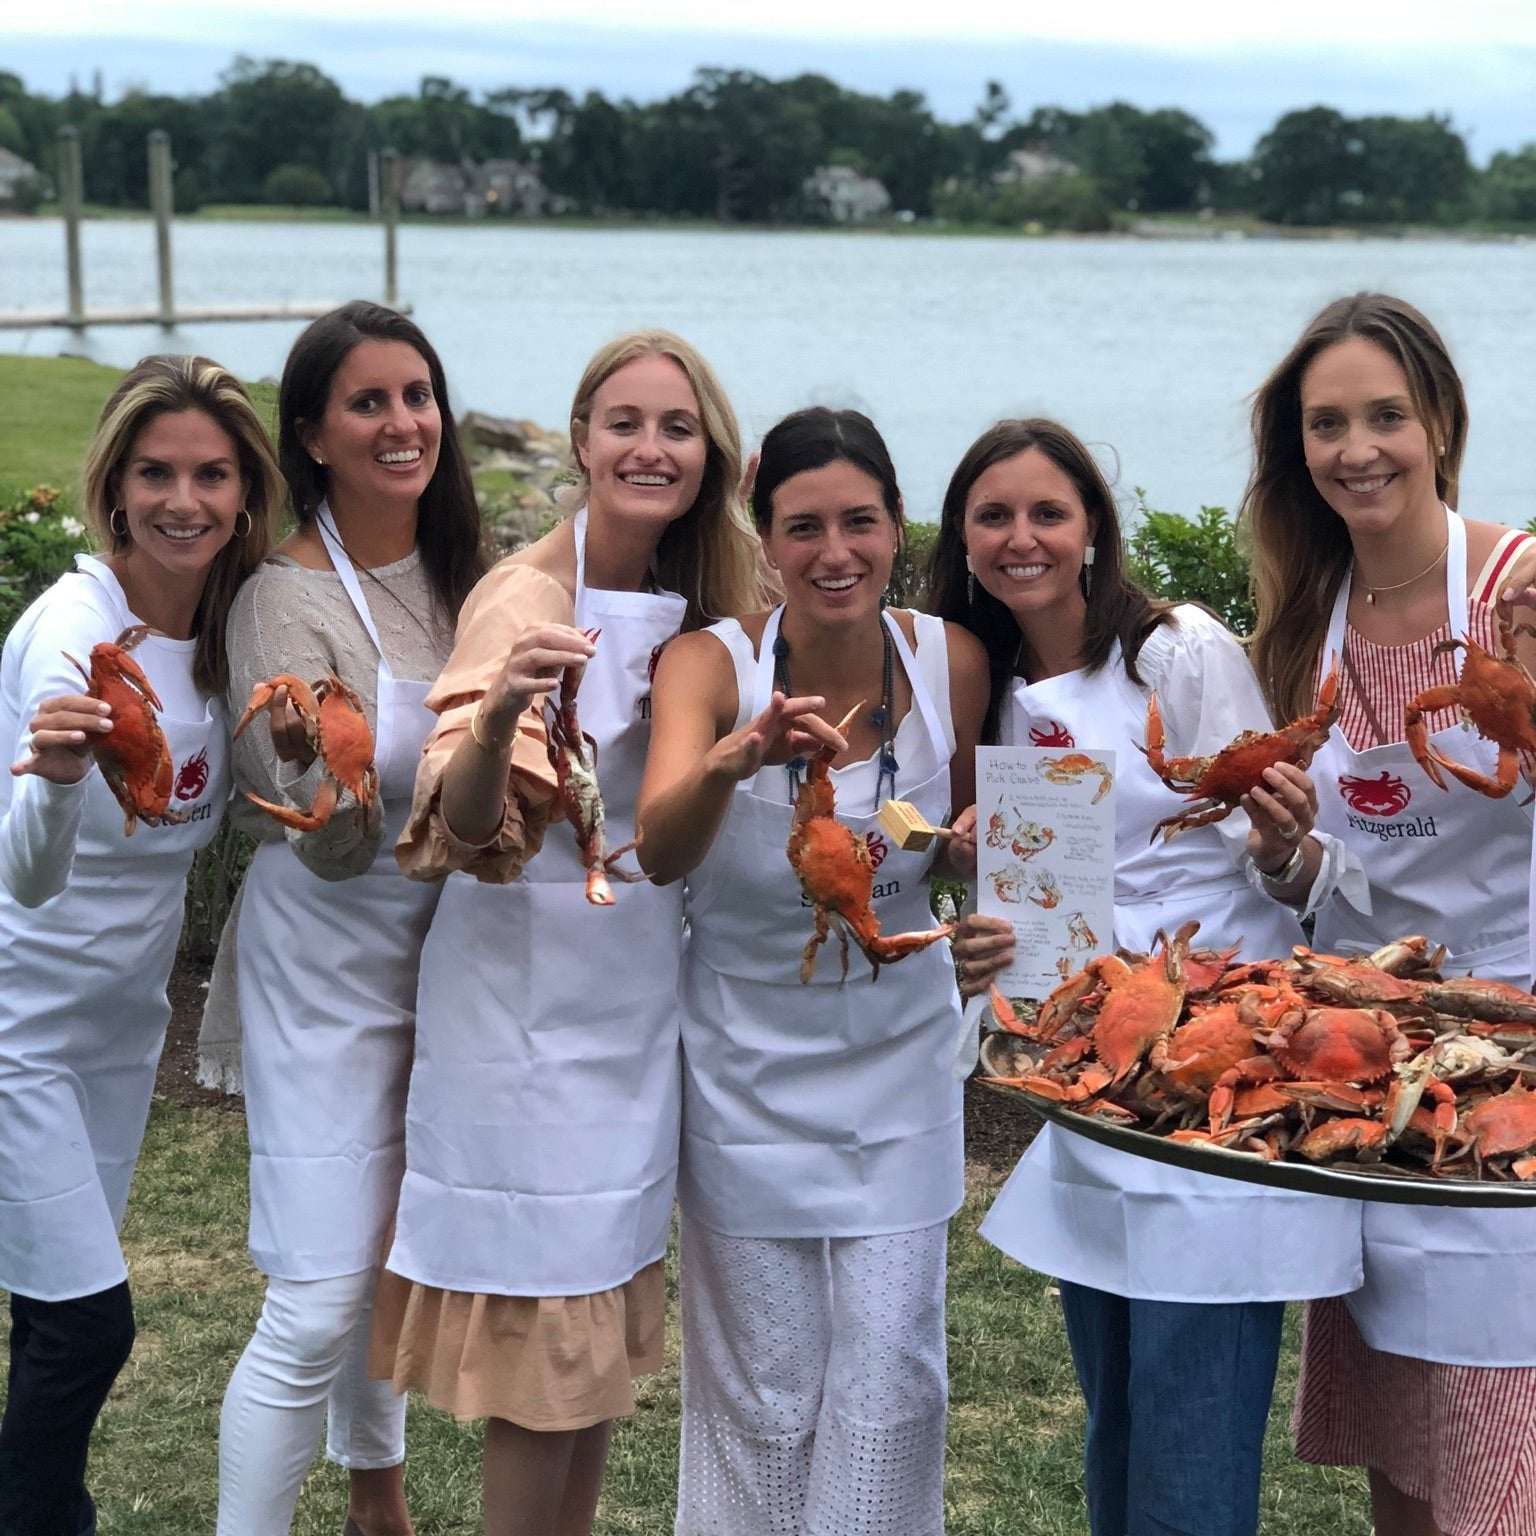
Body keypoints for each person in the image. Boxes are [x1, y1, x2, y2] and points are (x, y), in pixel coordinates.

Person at [928, 417, 1363, 1536]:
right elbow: (1018, 895)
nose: (1020, 537)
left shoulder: (1176, 653)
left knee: (1192, 1427)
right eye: (994, 515)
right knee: (1117, 1418)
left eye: (1047, 513)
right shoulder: (980, 679)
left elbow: (1287, 864)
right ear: (961, 536)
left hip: (1213, 1088)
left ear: (1091, 531)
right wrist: (978, 896)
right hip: (1088, 1081)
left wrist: (1281, 846)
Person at [369, 329, 767, 1536]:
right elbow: (466, 832)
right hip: (520, 1021)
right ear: (582, 437)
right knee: (543, 1369)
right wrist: (493, 720)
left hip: (637, 999)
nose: (650, 448)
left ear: (712, 454)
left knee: (587, 1368)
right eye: (627, 424)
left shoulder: (713, 604)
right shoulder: (526, 594)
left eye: (677, 427)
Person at [634, 406, 989, 1536]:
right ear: (762, 533)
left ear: (897, 526)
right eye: (804, 528)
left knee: (893, 1380)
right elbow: (657, 851)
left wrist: (980, 869)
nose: (835, 553)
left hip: (900, 1068)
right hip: (745, 1073)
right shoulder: (707, 665)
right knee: (763, 1394)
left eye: (861, 522)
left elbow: (986, 840)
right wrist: (739, 755)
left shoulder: (951, 662)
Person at [1244, 292, 1536, 1536]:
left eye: (1385, 416)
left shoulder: (1517, 585)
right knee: (1403, 1441)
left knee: (1502, 1411)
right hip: (1363, 1057)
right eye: (1326, 424)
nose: (1356, 449)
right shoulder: (1305, 621)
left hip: (1517, 1044)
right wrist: (1283, 861)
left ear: (1442, 425)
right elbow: (1335, 880)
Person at [211, 302, 486, 1536]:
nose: (401, 424)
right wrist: (333, 781)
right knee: (318, 1297)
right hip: (324, 965)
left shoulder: (475, 574)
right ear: (313, 434)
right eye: (367, 403)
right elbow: (322, 844)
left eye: (417, 396)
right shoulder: (280, 597)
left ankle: (380, 1502)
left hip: (452, 966)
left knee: (393, 1256)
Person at [0, 355, 282, 1535]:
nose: (186, 501)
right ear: (114, 487)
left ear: (244, 491)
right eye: (157, 474)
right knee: (87, 1322)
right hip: (18, 1030)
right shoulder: (73, 629)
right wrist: (60, 783)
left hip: (120, 1035)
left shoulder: (228, 627)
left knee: (46, 1312)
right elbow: (26, 872)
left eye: (212, 474)